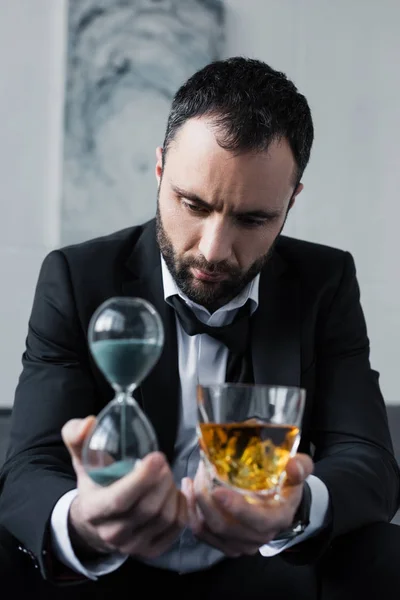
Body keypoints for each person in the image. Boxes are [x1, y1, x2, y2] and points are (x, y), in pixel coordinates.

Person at [0, 56, 399, 600]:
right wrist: (85, 525)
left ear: (291, 201)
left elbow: (369, 459)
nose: (213, 251)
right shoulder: (77, 277)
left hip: (266, 570)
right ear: (161, 169)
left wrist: (294, 507)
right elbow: (30, 466)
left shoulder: (324, 282)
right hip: (110, 574)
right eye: (193, 204)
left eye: (253, 219)